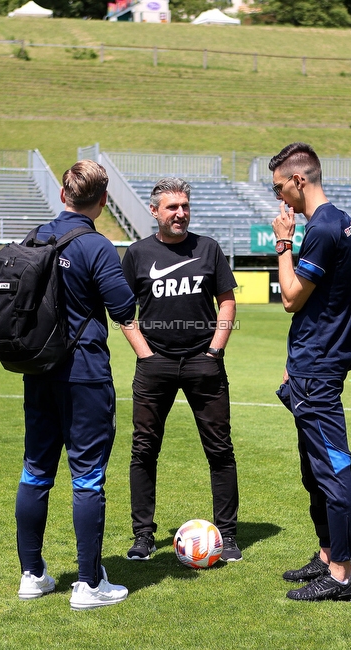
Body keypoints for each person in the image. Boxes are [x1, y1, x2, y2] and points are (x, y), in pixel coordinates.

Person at [16, 160, 136, 611]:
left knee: (35, 470)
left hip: (37, 368)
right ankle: (88, 584)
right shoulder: (96, 245)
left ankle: (32, 575)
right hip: (83, 372)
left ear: (63, 195)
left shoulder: (37, 235)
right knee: (87, 477)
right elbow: (124, 308)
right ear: (102, 202)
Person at [119, 177, 242, 563]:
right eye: (172, 207)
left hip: (203, 365)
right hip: (154, 366)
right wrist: (145, 355)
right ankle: (143, 537)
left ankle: (229, 536)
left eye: (185, 206)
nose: (181, 213)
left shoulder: (208, 249)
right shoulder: (137, 254)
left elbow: (227, 302)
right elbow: (122, 310)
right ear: (154, 211)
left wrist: (214, 351)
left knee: (220, 450)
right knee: (144, 450)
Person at [269, 142, 351, 602]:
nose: (279, 200)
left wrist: (282, 243)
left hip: (318, 370)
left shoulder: (322, 228)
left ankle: (341, 576)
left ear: (299, 180)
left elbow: (290, 297)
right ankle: (327, 556)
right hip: (312, 364)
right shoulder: (340, 219)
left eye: (280, 188)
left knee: (331, 470)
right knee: (313, 469)